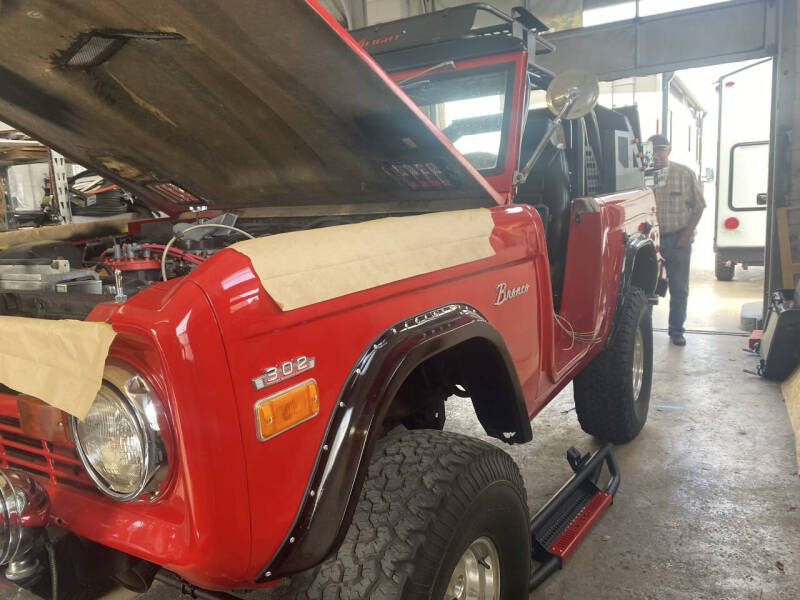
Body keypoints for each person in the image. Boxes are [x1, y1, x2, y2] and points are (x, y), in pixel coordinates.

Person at [648, 134, 706, 346]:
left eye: (661, 149)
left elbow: (699, 206)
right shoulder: (642, 175)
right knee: (645, 288)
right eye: (652, 150)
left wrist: (686, 235)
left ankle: (676, 331)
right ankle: (644, 330)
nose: (656, 155)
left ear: (669, 150)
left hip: (677, 241)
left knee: (679, 289)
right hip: (649, 243)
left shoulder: (684, 173)